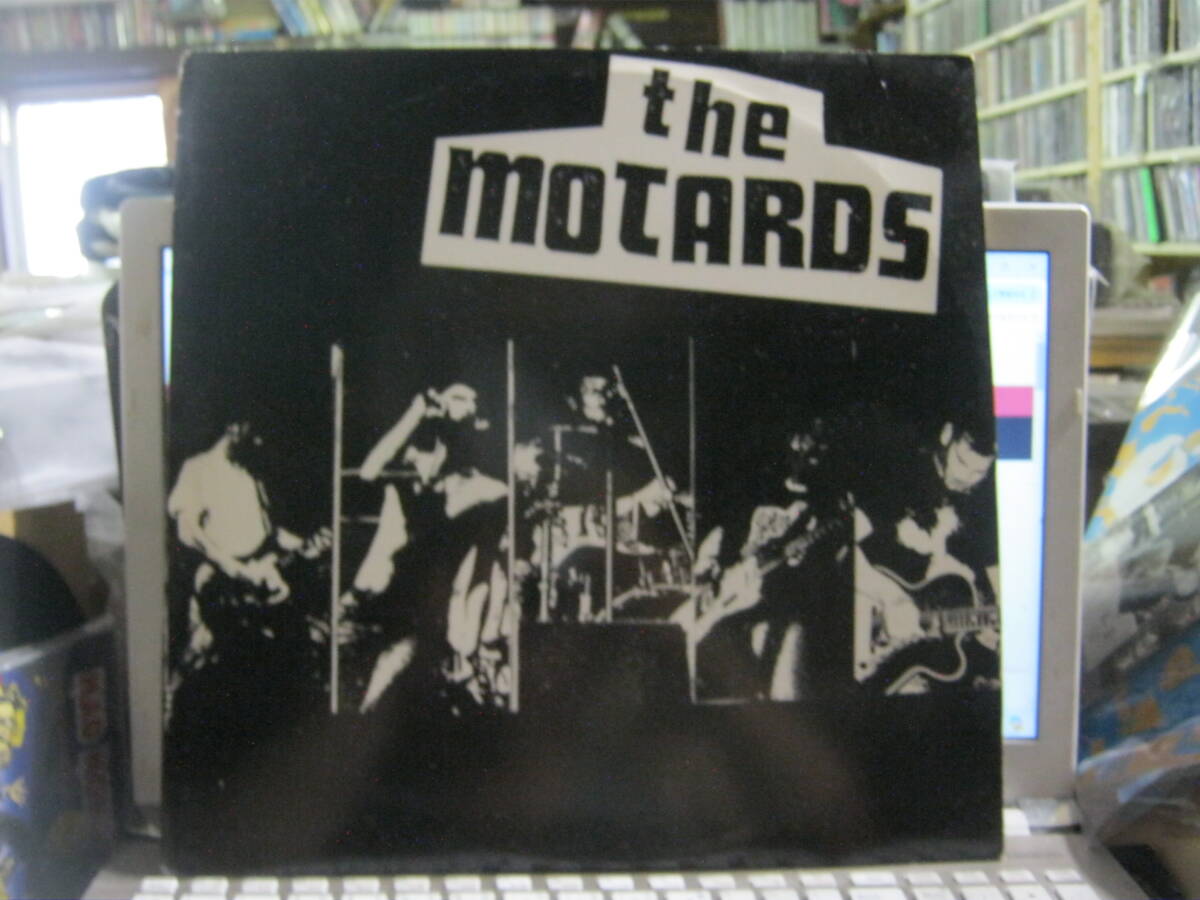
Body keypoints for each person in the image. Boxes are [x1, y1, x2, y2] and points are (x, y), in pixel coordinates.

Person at [340, 383, 510, 714]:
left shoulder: (487, 490)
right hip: (371, 594)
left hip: (420, 604)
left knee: (388, 688)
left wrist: (469, 629)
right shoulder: (414, 469)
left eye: (470, 406)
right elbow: (370, 470)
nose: (464, 408)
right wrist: (415, 413)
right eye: (457, 400)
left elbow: (482, 567)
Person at [165, 422, 331, 724]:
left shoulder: (250, 472)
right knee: (198, 664)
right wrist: (233, 567)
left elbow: (271, 533)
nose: (259, 444)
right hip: (218, 585)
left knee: (258, 670)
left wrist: (308, 543)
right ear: (234, 428)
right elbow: (187, 529)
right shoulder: (198, 469)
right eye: (254, 437)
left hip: (257, 585)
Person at [852, 409, 1000, 695]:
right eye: (961, 462)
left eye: (980, 472)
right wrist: (891, 598)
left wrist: (992, 628)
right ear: (947, 435)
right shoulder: (898, 473)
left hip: (928, 657)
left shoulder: (984, 504)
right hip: (867, 616)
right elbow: (843, 549)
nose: (965, 478)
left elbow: (998, 585)